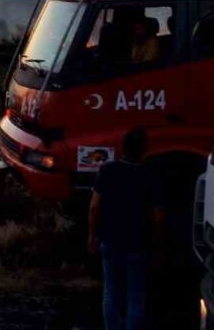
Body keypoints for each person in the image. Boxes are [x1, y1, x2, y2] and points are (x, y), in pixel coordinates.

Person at [87, 129, 163, 330]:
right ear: (144, 150)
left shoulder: (107, 170)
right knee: (135, 297)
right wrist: (156, 244)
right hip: (138, 245)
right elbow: (157, 217)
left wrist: (92, 235)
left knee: (111, 292)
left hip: (110, 241)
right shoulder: (150, 175)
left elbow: (94, 207)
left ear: (123, 147)